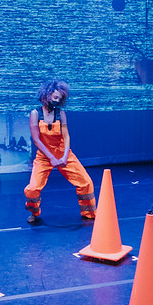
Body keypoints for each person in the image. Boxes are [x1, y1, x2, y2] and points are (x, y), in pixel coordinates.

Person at [24, 79, 96, 224]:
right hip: (44, 157)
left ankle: (89, 214)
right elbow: (36, 140)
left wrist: (64, 156)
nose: (57, 101)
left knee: (86, 182)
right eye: (55, 97)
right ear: (47, 94)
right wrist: (51, 158)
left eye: (60, 98)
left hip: (63, 154)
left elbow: (66, 136)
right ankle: (34, 213)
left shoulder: (61, 114)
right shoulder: (35, 113)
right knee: (32, 189)